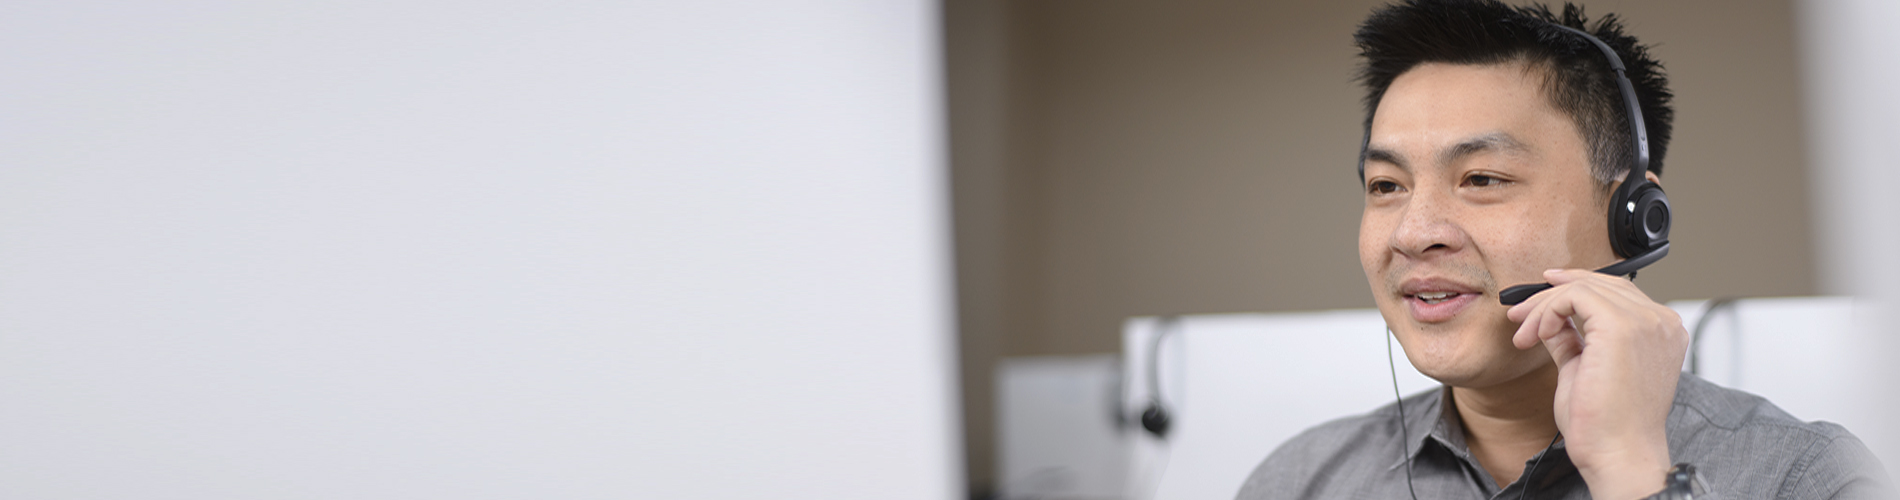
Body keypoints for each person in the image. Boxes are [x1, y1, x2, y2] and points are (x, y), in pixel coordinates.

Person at [1236, 1, 1892, 499]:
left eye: (1482, 179)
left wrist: (1634, 472)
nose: (1413, 233)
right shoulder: (1299, 480)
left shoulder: (1808, 476)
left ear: (1633, 217)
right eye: (1386, 185)